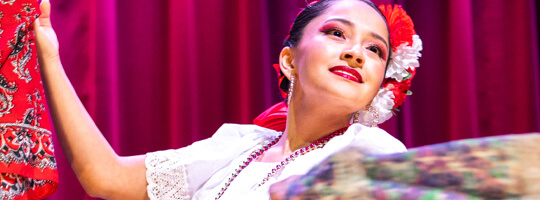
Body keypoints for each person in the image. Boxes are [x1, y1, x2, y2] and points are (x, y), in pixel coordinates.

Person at [34, 0, 422, 199]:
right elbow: (106, 178)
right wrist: (49, 56)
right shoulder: (238, 147)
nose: (357, 53)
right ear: (289, 60)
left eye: (375, 50)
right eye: (337, 33)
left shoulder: (372, 149)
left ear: (379, 86)